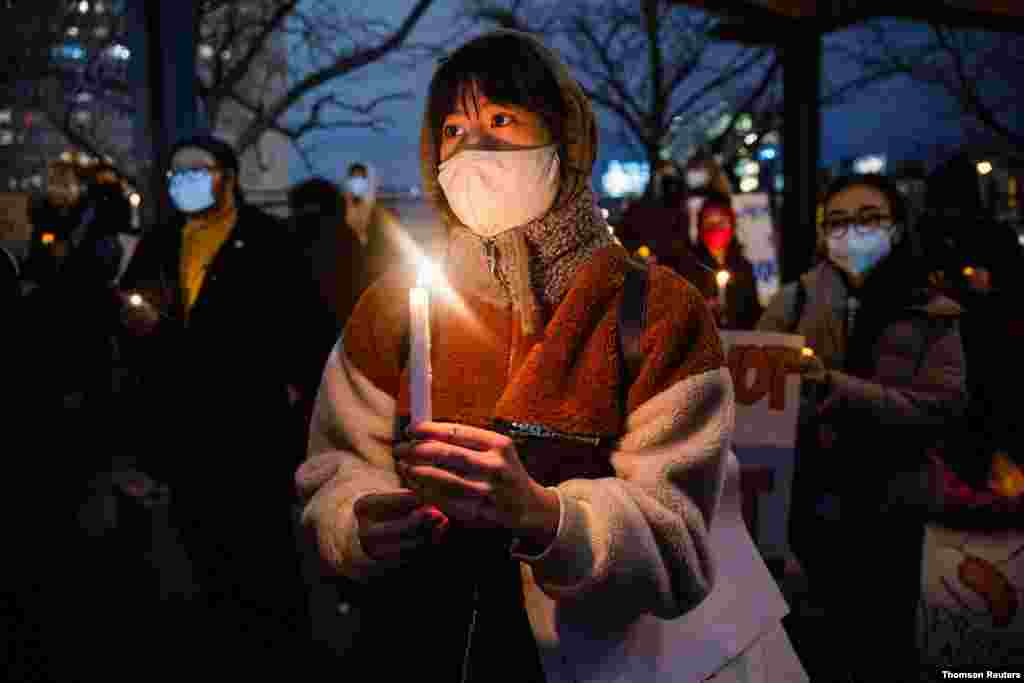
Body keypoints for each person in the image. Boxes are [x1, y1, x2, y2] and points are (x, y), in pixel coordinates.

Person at [296, 30, 806, 682]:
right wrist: (358, 521)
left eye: (501, 119)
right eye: (453, 129)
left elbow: (675, 542)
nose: (473, 147)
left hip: (596, 661)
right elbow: (332, 468)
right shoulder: (392, 308)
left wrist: (545, 516)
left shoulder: (659, 311)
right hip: (419, 643)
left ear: (564, 140)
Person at [114, 134, 325, 673]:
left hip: (249, 426)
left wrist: (297, 400)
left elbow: (305, 327)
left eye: (196, 170)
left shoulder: (267, 240)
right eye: (176, 174)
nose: (184, 182)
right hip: (183, 429)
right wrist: (138, 323)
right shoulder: (161, 240)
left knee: (262, 554)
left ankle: (281, 656)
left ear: (227, 177)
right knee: (200, 550)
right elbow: (131, 310)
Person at [757, 172, 967, 681]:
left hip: (891, 507)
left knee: (881, 642)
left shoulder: (931, 311)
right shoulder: (793, 303)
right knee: (809, 644)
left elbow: (940, 408)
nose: (853, 233)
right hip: (807, 507)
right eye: (839, 222)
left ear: (896, 227)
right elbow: (758, 389)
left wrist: (835, 388)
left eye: (869, 218)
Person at [675, 190, 762, 329]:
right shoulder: (687, 265)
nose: (716, 227)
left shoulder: (743, 267)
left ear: (732, 226)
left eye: (722, 221)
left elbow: (753, 313)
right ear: (700, 226)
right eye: (709, 222)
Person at [342, 161, 407, 286]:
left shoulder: (381, 212)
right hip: (349, 278)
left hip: (376, 276)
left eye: (361, 178)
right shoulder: (342, 210)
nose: (357, 183)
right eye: (353, 178)